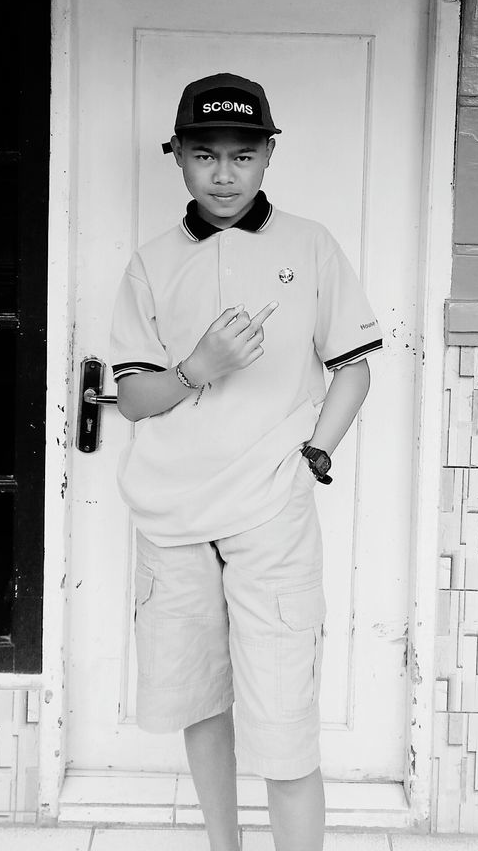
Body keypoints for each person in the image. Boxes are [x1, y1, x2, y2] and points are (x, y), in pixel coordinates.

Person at [109, 72, 381, 851]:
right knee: (202, 702)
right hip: (173, 519)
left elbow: (354, 365)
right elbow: (131, 400)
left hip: (272, 514)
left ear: (267, 157)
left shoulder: (311, 245)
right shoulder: (152, 261)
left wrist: (315, 455)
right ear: (179, 159)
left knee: (286, 715)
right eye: (205, 154)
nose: (224, 173)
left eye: (241, 154)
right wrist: (199, 366)